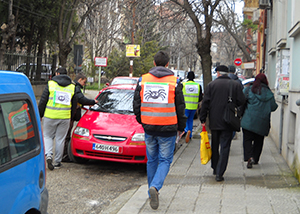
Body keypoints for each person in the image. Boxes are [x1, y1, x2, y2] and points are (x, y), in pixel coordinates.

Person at [133, 50, 186, 210]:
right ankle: (155, 187)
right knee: (165, 160)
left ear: (154, 63)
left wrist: (142, 120)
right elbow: (180, 107)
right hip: (168, 128)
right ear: (168, 64)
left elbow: (136, 104)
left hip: (149, 127)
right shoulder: (175, 82)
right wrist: (181, 127)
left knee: (152, 160)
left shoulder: (143, 80)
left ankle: (152, 193)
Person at [199, 65, 245, 182]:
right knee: (225, 147)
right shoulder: (235, 85)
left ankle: (215, 167)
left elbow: (205, 103)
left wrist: (203, 118)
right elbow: (242, 101)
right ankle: (220, 172)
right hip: (228, 121)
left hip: (214, 121)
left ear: (218, 73)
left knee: (215, 145)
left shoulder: (211, 85)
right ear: (228, 73)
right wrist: (238, 114)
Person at [38, 67, 77, 170]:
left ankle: (49, 155)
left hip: (50, 116)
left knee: (48, 136)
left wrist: (40, 114)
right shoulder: (72, 87)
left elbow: (43, 101)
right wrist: (71, 116)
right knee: (60, 139)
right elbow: (74, 105)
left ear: (57, 73)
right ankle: (57, 162)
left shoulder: (50, 84)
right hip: (65, 117)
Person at [241, 73, 278, 169]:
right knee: (259, 141)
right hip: (262, 122)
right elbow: (273, 107)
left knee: (247, 140)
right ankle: (255, 158)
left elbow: (241, 101)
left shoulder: (248, 90)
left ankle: (249, 157)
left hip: (248, 120)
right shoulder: (269, 94)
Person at [62, 73, 98, 162]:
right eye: (84, 82)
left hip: (69, 114)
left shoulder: (74, 87)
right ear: (80, 80)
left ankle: (63, 155)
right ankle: (64, 156)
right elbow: (81, 99)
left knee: (64, 135)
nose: (84, 84)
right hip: (70, 115)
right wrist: (93, 102)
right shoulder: (75, 88)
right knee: (66, 136)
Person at [182, 71, 203, 143]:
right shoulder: (198, 85)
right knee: (190, 120)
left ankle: (186, 131)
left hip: (185, 106)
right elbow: (200, 98)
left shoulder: (184, 85)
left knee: (184, 121)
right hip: (194, 107)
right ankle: (190, 134)